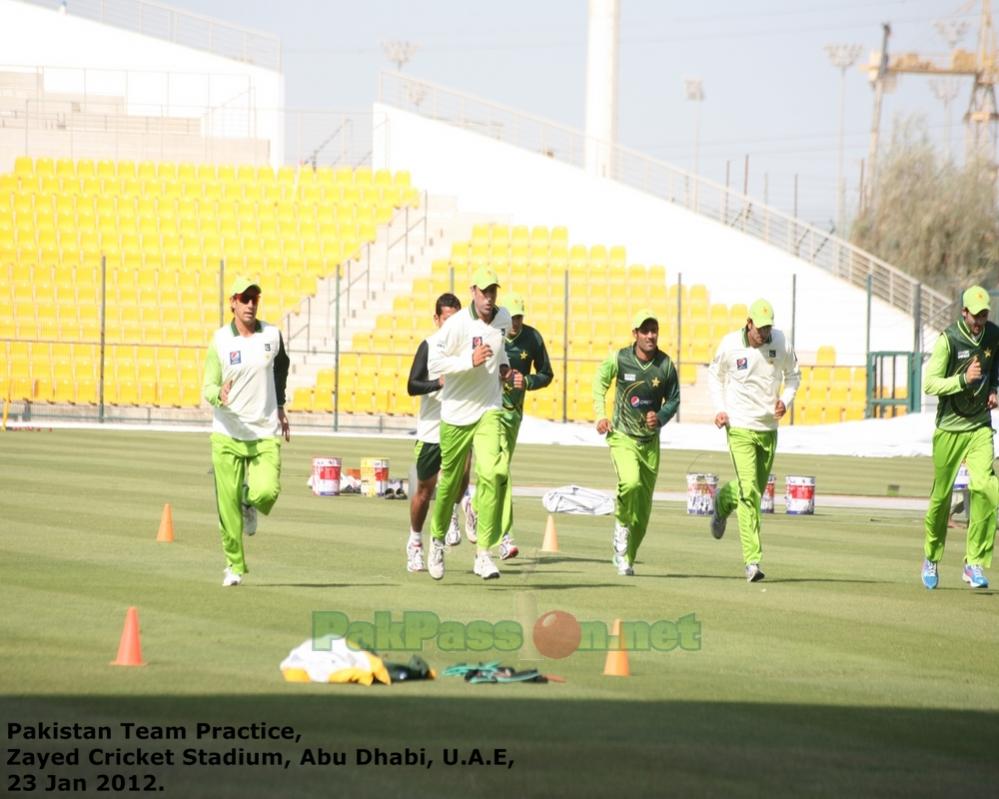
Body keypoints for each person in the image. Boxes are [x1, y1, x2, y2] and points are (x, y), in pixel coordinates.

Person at [426, 267, 523, 581]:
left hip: (488, 409)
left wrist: (506, 370)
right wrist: (469, 360)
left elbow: (501, 349)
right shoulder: (456, 324)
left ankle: (484, 552)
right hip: (455, 413)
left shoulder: (504, 318)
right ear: (472, 291)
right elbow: (434, 362)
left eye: (493, 291)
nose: (489, 297)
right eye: (484, 291)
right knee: (449, 485)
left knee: (493, 472)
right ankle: (437, 540)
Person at [202, 276, 291, 587]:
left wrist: (280, 405)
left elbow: (282, 367)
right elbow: (208, 385)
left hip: (265, 431)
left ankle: (250, 501)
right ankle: (234, 566)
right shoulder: (220, 341)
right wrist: (219, 395)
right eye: (245, 298)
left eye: (255, 298)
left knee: (267, 491)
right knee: (227, 510)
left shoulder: (272, 335)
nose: (251, 304)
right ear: (233, 303)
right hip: (226, 432)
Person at [707, 298, 800, 583]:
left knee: (753, 490)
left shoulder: (780, 342)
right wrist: (720, 409)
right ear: (748, 323)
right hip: (740, 427)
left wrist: (785, 400)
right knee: (750, 496)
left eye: (768, 327)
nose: (764, 333)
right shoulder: (729, 345)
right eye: (760, 328)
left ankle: (723, 500)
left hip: (768, 429)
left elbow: (794, 376)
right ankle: (752, 562)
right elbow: (715, 375)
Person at [920, 285, 998, 590]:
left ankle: (974, 563)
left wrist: (993, 390)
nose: (979, 320)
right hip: (949, 429)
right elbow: (930, 385)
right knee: (940, 500)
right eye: (974, 315)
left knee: (987, 488)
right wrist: (962, 380)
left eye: (983, 314)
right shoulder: (948, 340)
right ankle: (930, 556)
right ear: (963, 312)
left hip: (979, 426)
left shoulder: (994, 335)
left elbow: (997, 366)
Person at [592, 309, 679, 576]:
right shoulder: (620, 358)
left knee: (642, 516)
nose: (651, 335)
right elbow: (600, 381)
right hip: (622, 436)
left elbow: (674, 400)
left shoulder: (665, 365)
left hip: (650, 444)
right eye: (645, 330)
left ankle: (625, 558)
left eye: (654, 330)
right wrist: (600, 415)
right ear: (635, 334)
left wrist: (661, 417)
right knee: (630, 482)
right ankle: (620, 526)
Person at [405, 292, 473, 572]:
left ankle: (455, 515)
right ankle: (415, 541)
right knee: (423, 492)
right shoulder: (429, 346)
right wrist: (438, 383)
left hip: (457, 425)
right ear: (436, 319)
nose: (451, 325)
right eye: (447, 319)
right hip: (431, 431)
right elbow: (412, 385)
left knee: (463, 474)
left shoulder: (467, 348)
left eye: (456, 319)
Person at [484, 291, 554, 560]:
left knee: (498, 473)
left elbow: (546, 374)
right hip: (490, 411)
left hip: (513, 413)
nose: (516, 323)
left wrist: (527, 381)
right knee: (501, 469)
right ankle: (505, 536)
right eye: (512, 317)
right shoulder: (492, 334)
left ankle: (475, 507)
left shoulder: (533, 338)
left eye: (519, 317)